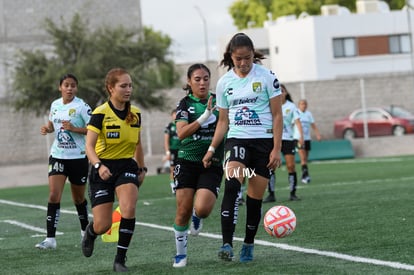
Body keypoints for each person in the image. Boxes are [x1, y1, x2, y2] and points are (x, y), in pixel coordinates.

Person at [202, 33, 283, 263]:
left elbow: (277, 116)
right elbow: (223, 122)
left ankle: (248, 242)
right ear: (231, 57)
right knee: (231, 185)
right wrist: (211, 149)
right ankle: (227, 243)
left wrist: (276, 148)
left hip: (263, 143)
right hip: (237, 140)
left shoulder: (267, 77)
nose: (244, 63)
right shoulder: (224, 82)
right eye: (238, 59)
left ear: (253, 54)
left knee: (255, 197)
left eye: (247, 58)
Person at [82, 68, 147, 272]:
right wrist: (99, 166)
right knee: (103, 225)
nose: (128, 90)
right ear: (111, 88)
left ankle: (120, 259)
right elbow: (89, 147)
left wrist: (142, 167)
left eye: (130, 85)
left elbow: (137, 143)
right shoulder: (100, 113)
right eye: (123, 86)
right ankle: (91, 233)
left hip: (126, 165)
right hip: (102, 167)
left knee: (128, 208)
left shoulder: (135, 114)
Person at [172, 63, 225, 268]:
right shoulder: (185, 104)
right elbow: (182, 133)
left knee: (202, 209)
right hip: (186, 161)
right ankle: (180, 254)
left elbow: (226, 127)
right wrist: (204, 118)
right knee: (183, 210)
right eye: (197, 79)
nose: (202, 83)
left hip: (212, 162)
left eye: (205, 79)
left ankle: (198, 216)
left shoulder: (219, 102)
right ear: (189, 82)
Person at [35, 74, 91, 250]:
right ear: (60, 87)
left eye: (73, 85)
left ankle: (85, 232)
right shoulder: (55, 104)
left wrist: (74, 129)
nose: (69, 88)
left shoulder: (82, 107)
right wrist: (47, 128)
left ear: (76, 88)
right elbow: (52, 125)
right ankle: (50, 239)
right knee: (53, 195)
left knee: (78, 198)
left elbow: (93, 130)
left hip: (78, 158)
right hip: (58, 155)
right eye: (66, 85)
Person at [263, 84, 304, 203]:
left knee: (291, 166)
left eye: (282, 91)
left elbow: (297, 122)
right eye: (278, 91)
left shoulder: (291, 107)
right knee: (271, 167)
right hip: (273, 139)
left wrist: (301, 137)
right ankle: (271, 194)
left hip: (287, 139)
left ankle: (293, 193)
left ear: (286, 93)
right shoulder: (269, 106)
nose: (280, 93)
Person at [294, 99, 322, 184]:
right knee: (302, 158)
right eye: (302, 104)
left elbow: (313, 125)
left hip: (307, 138)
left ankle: (304, 174)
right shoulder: (296, 113)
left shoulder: (308, 114)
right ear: (299, 105)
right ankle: (305, 176)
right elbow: (292, 124)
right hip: (299, 138)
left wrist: (318, 134)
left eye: (305, 104)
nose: (304, 105)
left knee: (305, 159)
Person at [164, 109, 181, 194]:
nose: (175, 116)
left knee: (182, 169)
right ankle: (173, 186)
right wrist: (168, 152)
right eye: (174, 114)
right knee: (173, 169)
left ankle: (181, 185)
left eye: (177, 114)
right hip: (173, 150)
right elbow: (166, 141)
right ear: (172, 116)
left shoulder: (183, 124)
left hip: (182, 150)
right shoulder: (169, 126)